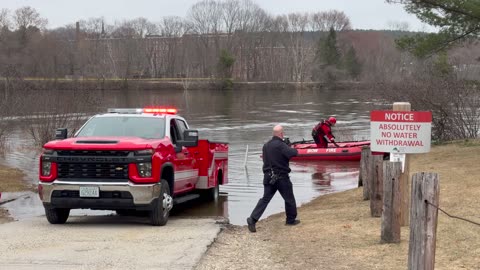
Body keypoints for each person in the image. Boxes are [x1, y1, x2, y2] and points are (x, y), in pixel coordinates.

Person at [246, 125, 300, 233]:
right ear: (281, 134)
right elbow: (294, 153)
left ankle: (253, 219)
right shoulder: (281, 145)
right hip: (281, 178)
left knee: (265, 199)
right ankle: (290, 220)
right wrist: (288, 146)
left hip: (268, 177)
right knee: (289, 198)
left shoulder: (266, 145)